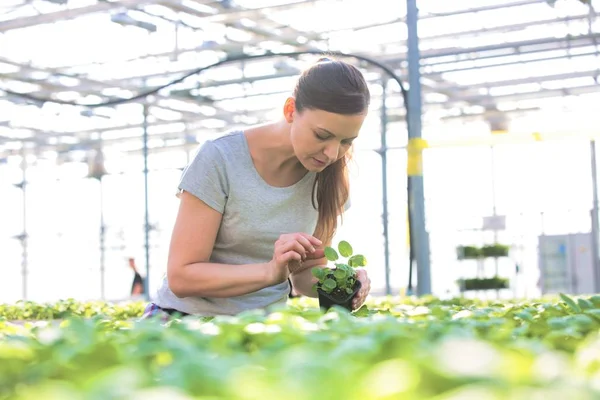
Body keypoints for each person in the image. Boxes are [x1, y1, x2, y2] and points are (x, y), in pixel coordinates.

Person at [141, 57, 372, 319]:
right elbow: (182, 277)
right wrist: (271, 271)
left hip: (262, 327)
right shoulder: (220, 158)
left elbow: (304, 276)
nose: (332, 153)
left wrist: (342, 283)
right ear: (290, 110)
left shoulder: (331, 179)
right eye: (322, 135)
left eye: (346, 141)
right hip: (181, 319)